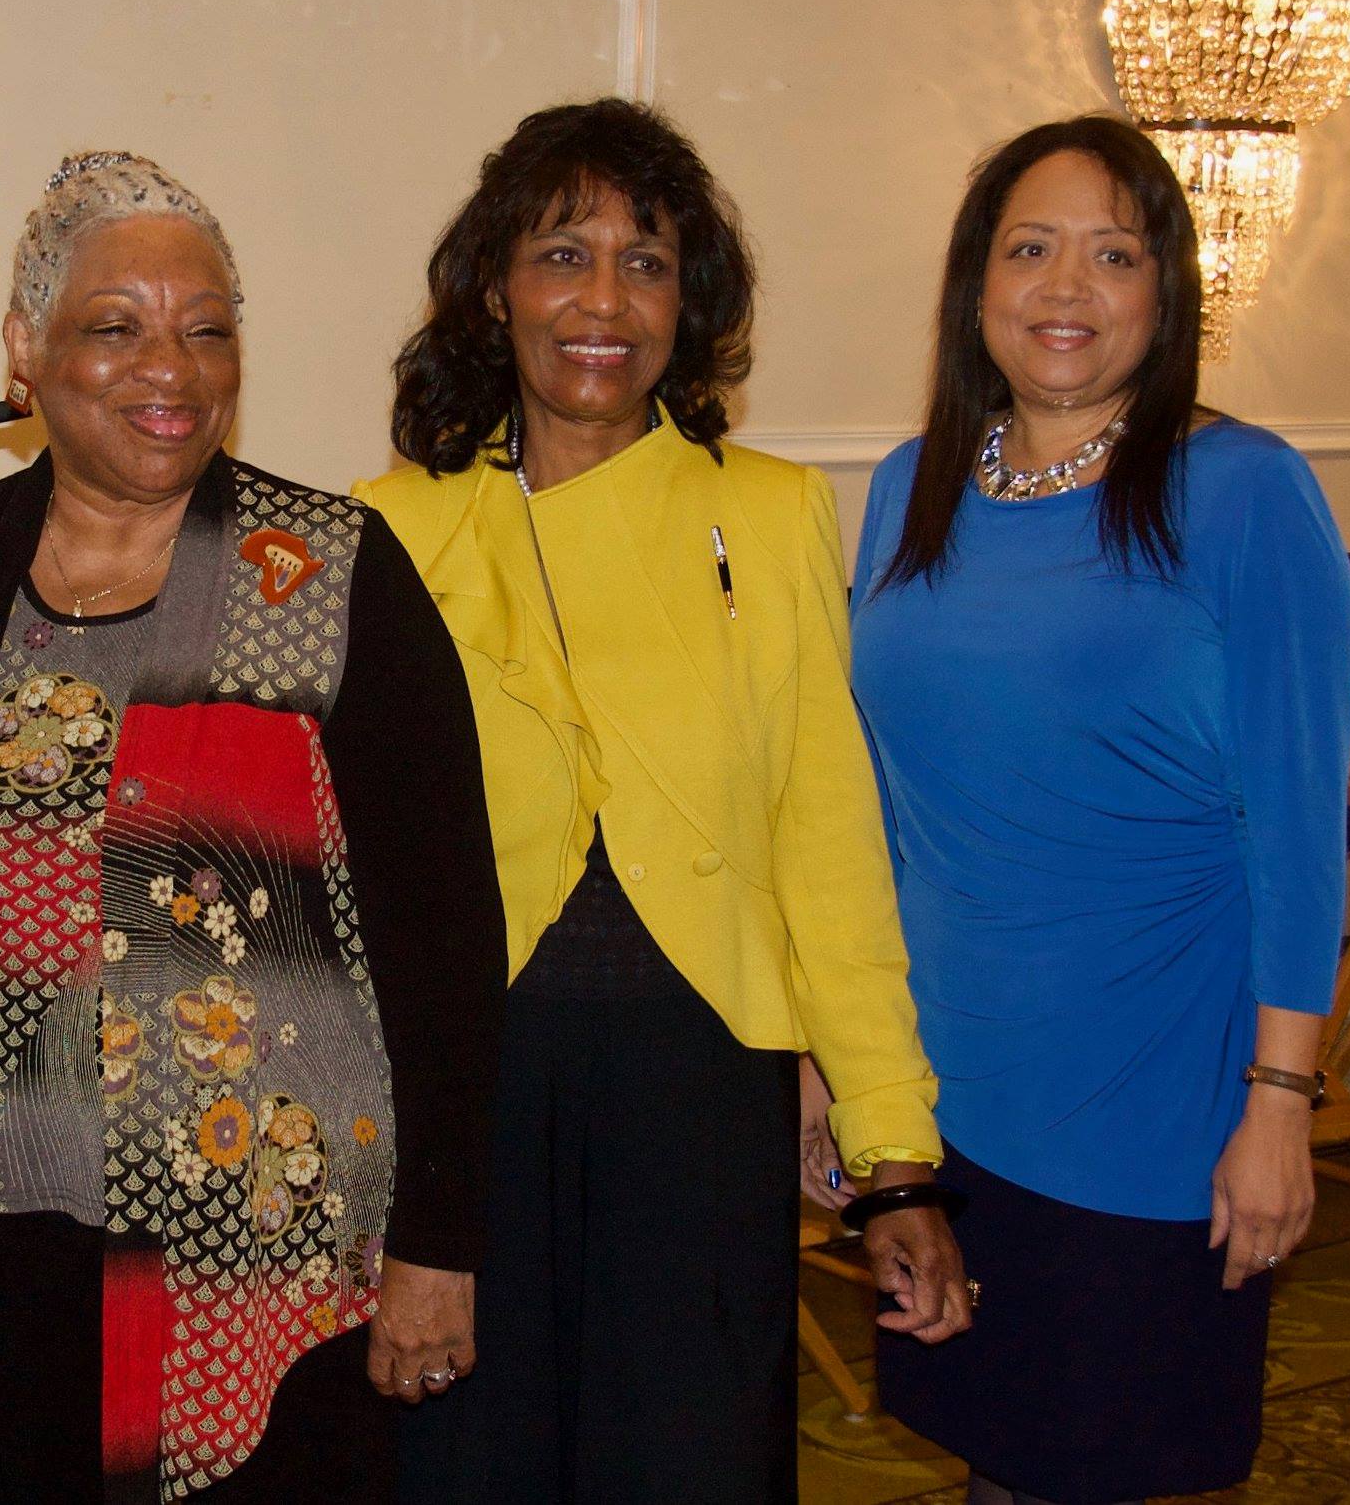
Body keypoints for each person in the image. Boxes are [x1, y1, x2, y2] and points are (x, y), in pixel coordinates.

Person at [356, 96, 970, 1505]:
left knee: (685, 1459)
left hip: (699, 1089)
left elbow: (825, 834)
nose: (603, 301)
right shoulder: (387, 528)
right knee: (466, 1460)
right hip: (464, 1084)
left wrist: (890, 1145)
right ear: (491, 287)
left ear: (689, 309)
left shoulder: (764, 514)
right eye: (563, 253)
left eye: (648, 263)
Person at [0, 151, 507, 1504]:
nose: (172, 364)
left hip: (270, 1251)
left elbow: (445, 935)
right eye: (115, 327)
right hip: (2, 1238)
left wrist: (437, 1242)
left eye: (206, 328)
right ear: (25, 353)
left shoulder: (327, 569)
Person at [844, 115, 1350, 1505]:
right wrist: (849, 1066)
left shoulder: (1242, 491)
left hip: (1153, 1105)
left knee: (1097, 1468)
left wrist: (1276, 1107)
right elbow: (876, 811)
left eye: (1110, 254)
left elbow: (1297, 832)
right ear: (974, 283)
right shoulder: (909, 487)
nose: (1063, 288)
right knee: (988, 1457)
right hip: (945, 1090)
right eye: (1028, 249)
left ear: (1165, 290)